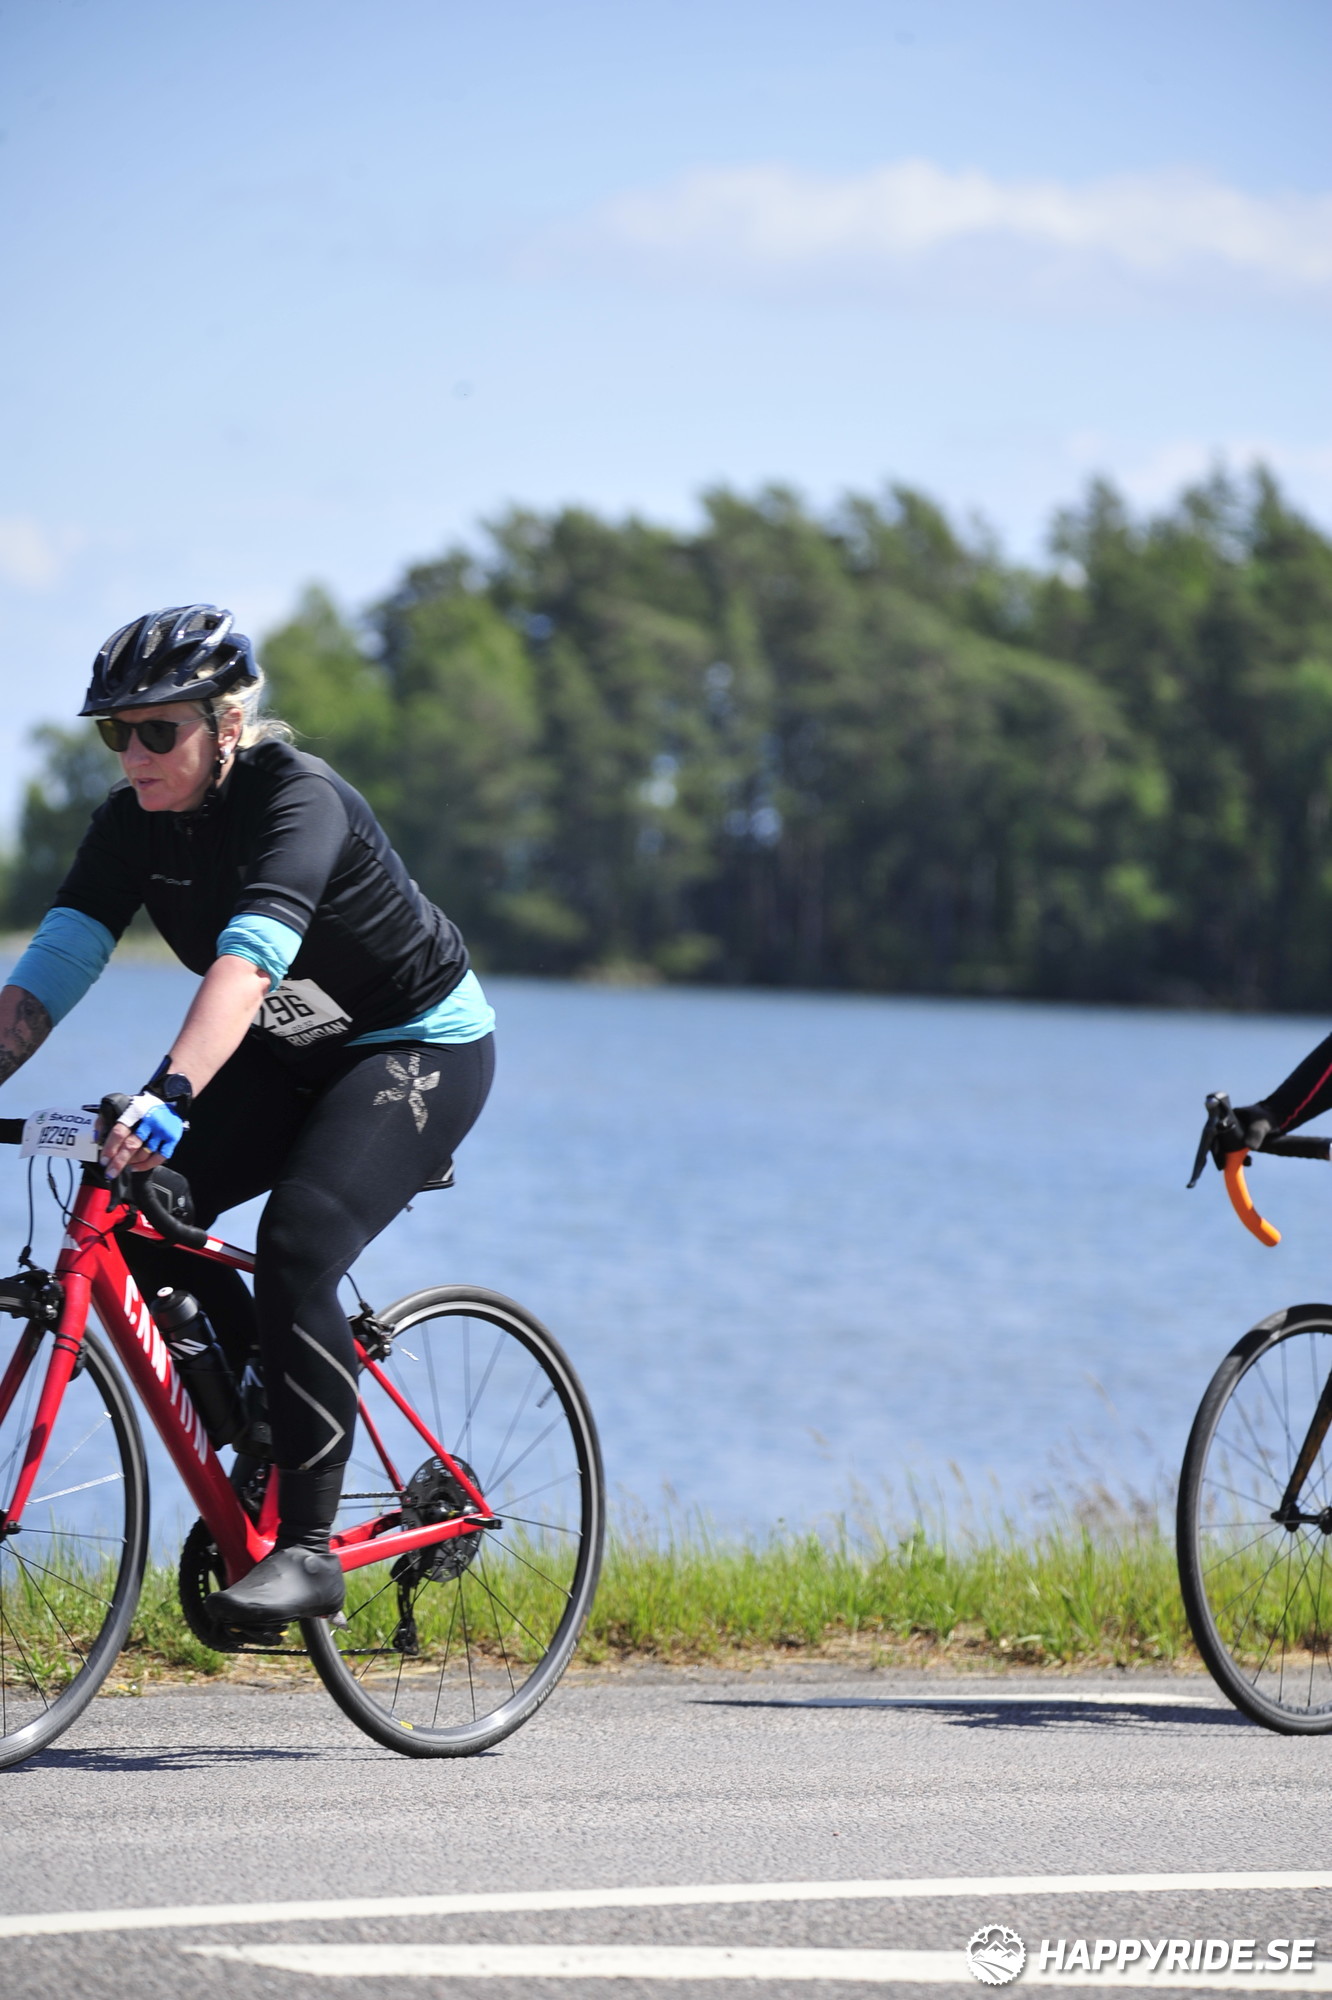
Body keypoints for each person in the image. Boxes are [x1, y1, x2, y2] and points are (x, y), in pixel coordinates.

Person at [0, 604, 495, 1627]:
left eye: (157, 728)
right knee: (138, 1210)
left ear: (227, 724)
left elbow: (249, 962)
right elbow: (59, 959)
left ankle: (309, 1549)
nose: (134, 753)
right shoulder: (128, 824)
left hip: (413, 1046)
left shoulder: (296, 800)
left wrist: (170, 1093)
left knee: (299, 1241)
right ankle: (268, 1428)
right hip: (283, 1049)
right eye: (116, 731)